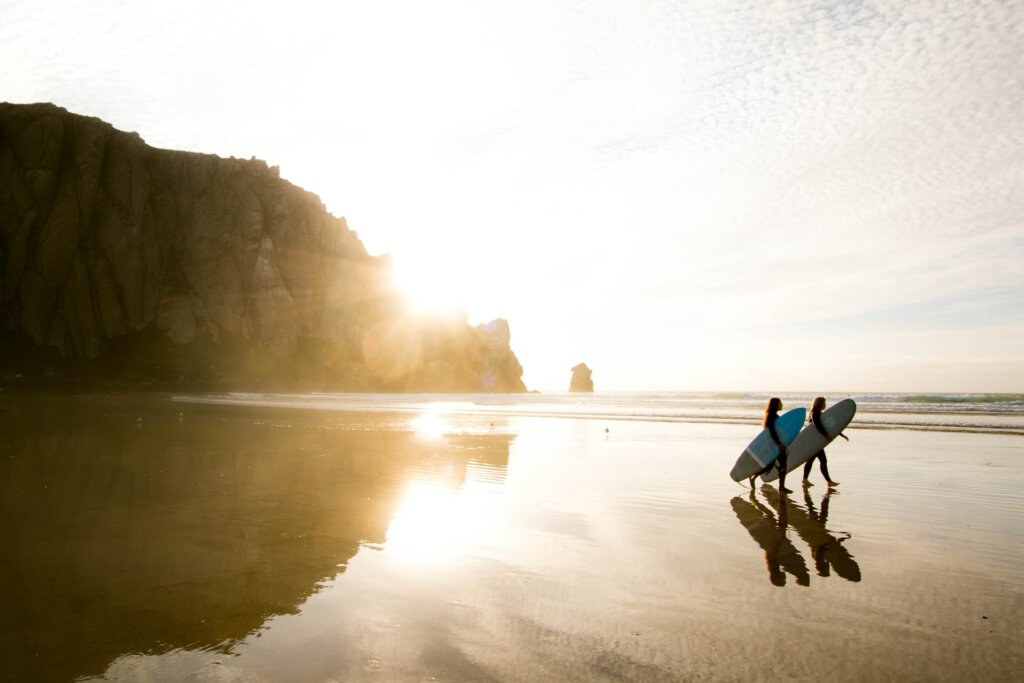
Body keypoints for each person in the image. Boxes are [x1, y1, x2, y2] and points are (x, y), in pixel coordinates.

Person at [802, 396, 848, 488]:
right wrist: (826, 435)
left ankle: (805, 479)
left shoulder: (820, 414)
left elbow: (830, 427)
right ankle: (828, 481)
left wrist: (841, 435)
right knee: (821, 460)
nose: (825, 405)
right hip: (815, 442)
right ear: (820, 404)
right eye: (824, 403)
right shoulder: (814, 414)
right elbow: (818, 425)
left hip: (817, 442)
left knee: (812, 460)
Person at [749, 397, 791, 493]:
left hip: (774, 443)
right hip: (775, 444)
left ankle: (754, 476)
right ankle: (781, 487)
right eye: (780, 403)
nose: (782, 405)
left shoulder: (772, 415)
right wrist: (779, 444)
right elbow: (772, 431)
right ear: (776, 405)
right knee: (782, 464)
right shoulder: (772, 416)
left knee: (770, 466)